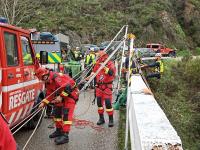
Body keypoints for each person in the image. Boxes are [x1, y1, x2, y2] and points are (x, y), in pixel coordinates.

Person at [35, 67, 79, 145]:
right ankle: (59, 130)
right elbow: (50, 94)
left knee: (66, 115)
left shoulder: (57, 77)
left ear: (46, 75)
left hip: (70, 95)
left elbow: (68, 87)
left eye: (43, 79)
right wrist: (44, 102)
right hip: (61, 96)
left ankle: (65, 135)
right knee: (56, 113)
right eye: (41, 79)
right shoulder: (48, 82)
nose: (43, 80)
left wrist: (61, 97)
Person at [86, 51, 116, 127]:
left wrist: (104, 67)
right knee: (99, 103)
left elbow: (111, 73)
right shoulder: (97, 63)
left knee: (108, 103)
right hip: (99, 87)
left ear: (102, 56)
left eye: (98, 56)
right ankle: (101, 118)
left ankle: (111, 119)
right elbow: (94, 72)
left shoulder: (110, 63)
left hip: (107, 87)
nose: (97, 57)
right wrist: (90, 76)